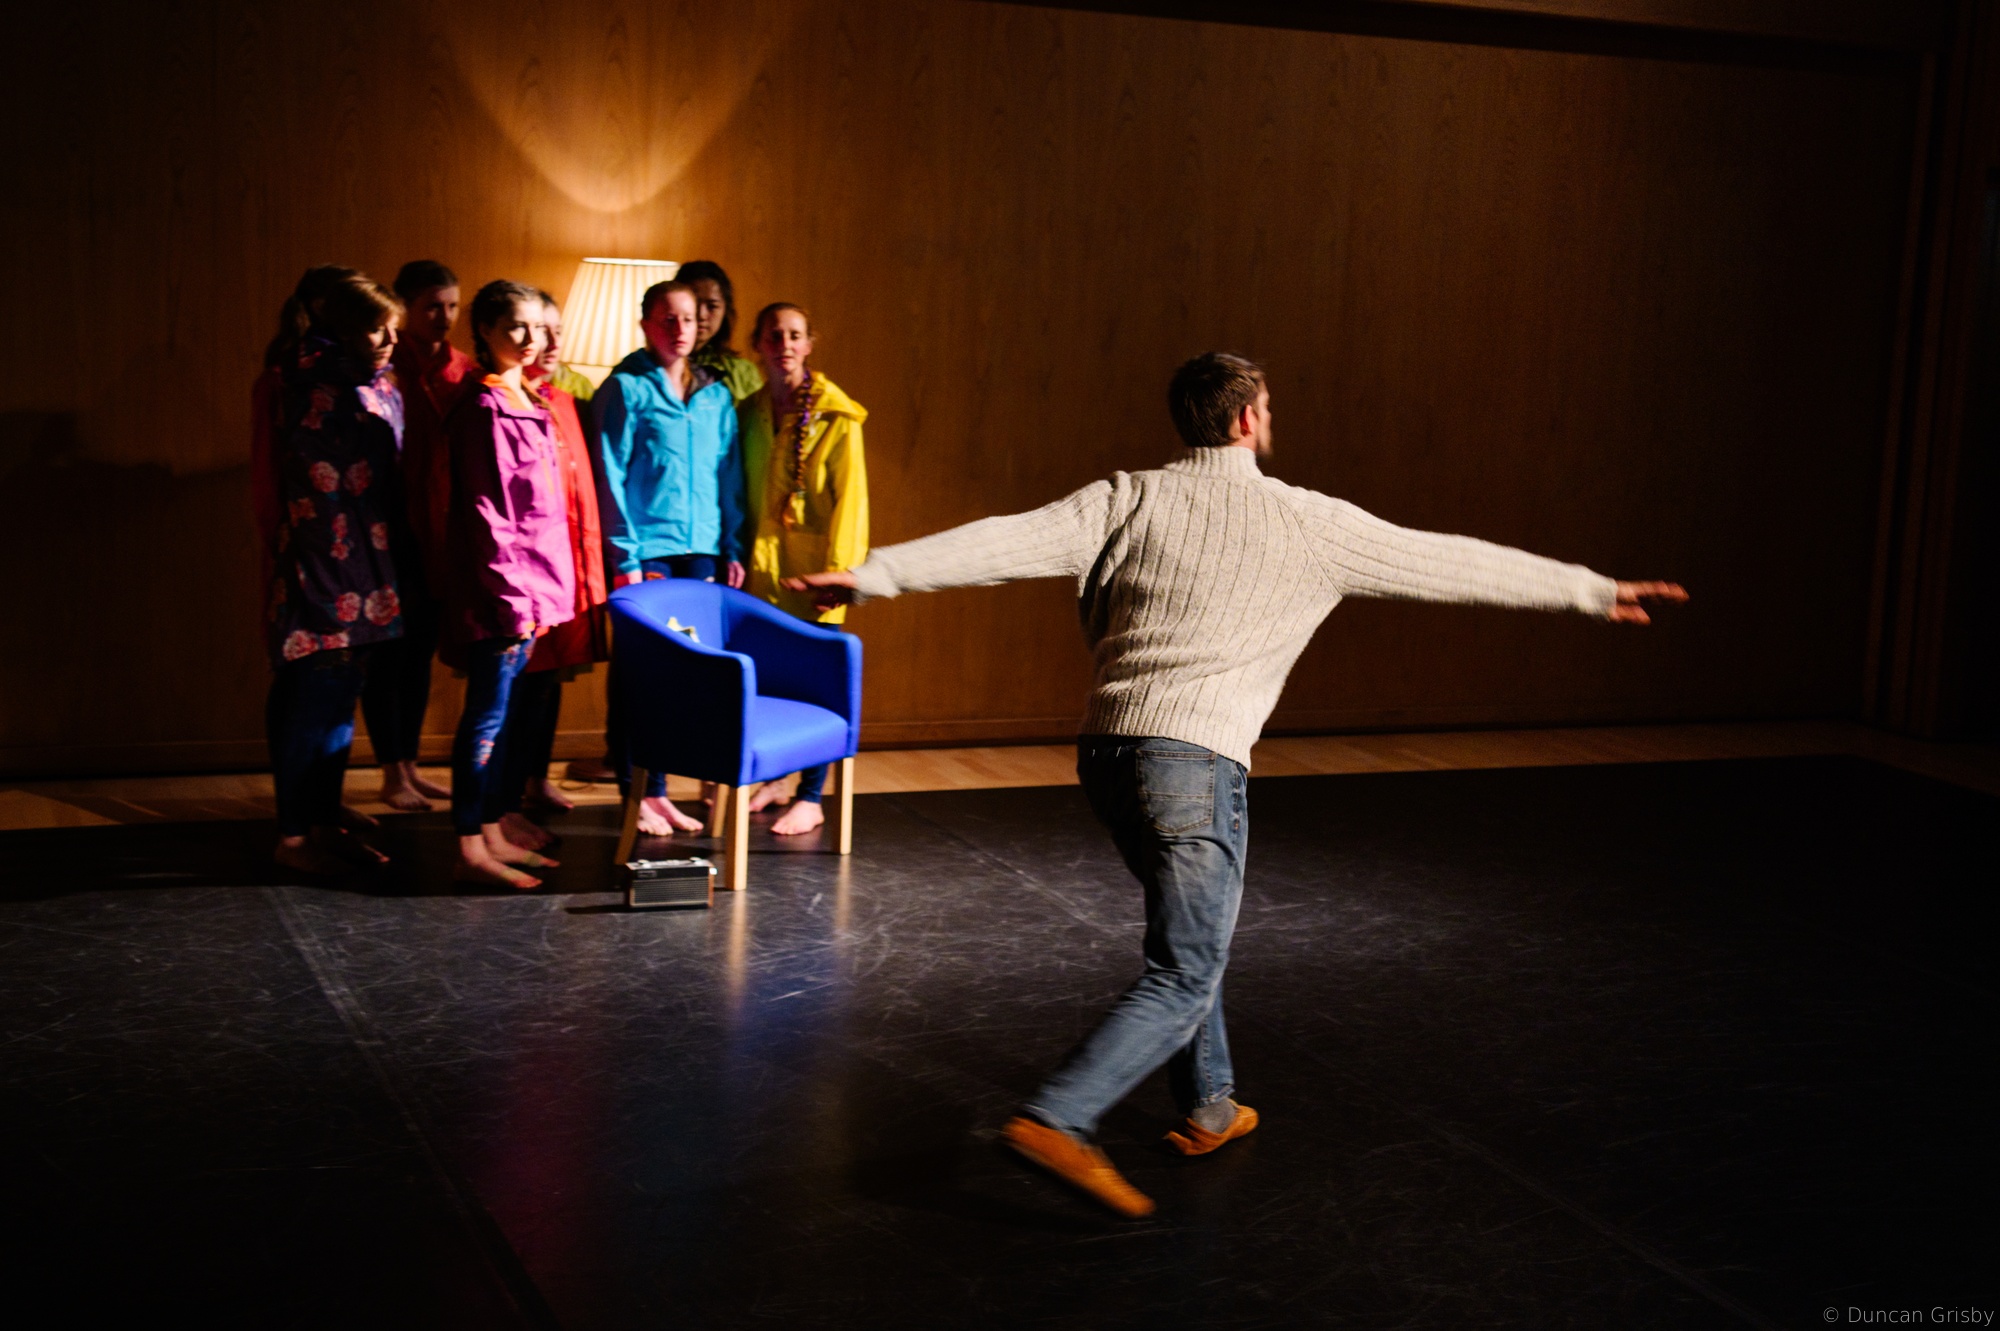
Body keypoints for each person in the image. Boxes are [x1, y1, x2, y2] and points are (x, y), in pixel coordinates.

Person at [788, 352, 1689, 1218]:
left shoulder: (1128, 495)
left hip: (1107, 753)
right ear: (1249, 418)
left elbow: (1002, 540)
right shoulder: (1310, 521)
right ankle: (1060, 1116)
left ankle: (1210, 1103)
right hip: (1194, 760)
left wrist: (875, 574)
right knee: (1186, 969)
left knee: (1191, 941)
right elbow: (1448, 561)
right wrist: (1589, 590)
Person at [262, 274, 410, 875]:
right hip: (324, 556)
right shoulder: (312, 384)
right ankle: (294, 835)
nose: (389, 340)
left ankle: (322, 817)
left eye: (393, 328)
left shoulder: (373, 382)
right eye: (376, 329)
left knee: (342, 693)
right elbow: (313, 485)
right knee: (315, 692)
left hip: (369, 552)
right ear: (344, 329)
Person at [591, 279, 748, 836]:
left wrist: (731, 546)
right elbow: (609, 475)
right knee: (641, 674)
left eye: (688, 319)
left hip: (702, 552)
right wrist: (624, 555)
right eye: (667, 319)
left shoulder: (716, 395)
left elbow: (728, 476)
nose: (680, 329)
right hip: (647, 551)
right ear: (646, 325)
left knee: (687, 676)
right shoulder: (625, 389)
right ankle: (638, 790)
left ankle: (660, 790)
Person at [445, 281, 576, 890]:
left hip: (536, 585)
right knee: (485, 719)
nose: (530, 339)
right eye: (515, 327)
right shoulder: (483, 405)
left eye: (537, 327)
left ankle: (491, 830)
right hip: (503, 593)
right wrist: (512, 598)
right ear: (486, 331)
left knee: (506, 718)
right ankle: (469, 843)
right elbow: (488, 513)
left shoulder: (529, 396)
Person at [739, 302, 869, 836]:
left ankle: (811, 795)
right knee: (768, 678)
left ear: (809, 344)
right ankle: (773, 780)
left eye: (795, 335)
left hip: (816, 573)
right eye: (774, 335)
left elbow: (852, 503)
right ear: (758, 344)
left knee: (818, 684)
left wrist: (841, 576)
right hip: (760, 571)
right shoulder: (748, 412)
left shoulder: (837, 415)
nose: (784, 345)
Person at [498, 288, 612, 835]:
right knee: (519, 686)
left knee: (549, 681)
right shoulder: (504, 400)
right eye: (539, 330)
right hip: (526, 569)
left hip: (567, 562)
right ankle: (503, 799)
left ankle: (535, 776)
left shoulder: (563, 401)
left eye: (556, 331)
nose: (549, 342)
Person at [369, 259, 478, 811]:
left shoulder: (464, 370)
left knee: (420, 656)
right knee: (389, 657)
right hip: (394, 528)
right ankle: (391, 771)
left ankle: (410, 766)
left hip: (444, 532)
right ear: (406, 308)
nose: (444, 317)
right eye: (433, 306)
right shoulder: (389, 368)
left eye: (452, 306)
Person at [680, 259, 764, 403]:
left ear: (725, 310)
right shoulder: (650, 366)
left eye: (712, 306)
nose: (701, 314)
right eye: (694, 303)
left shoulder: (742, 373)